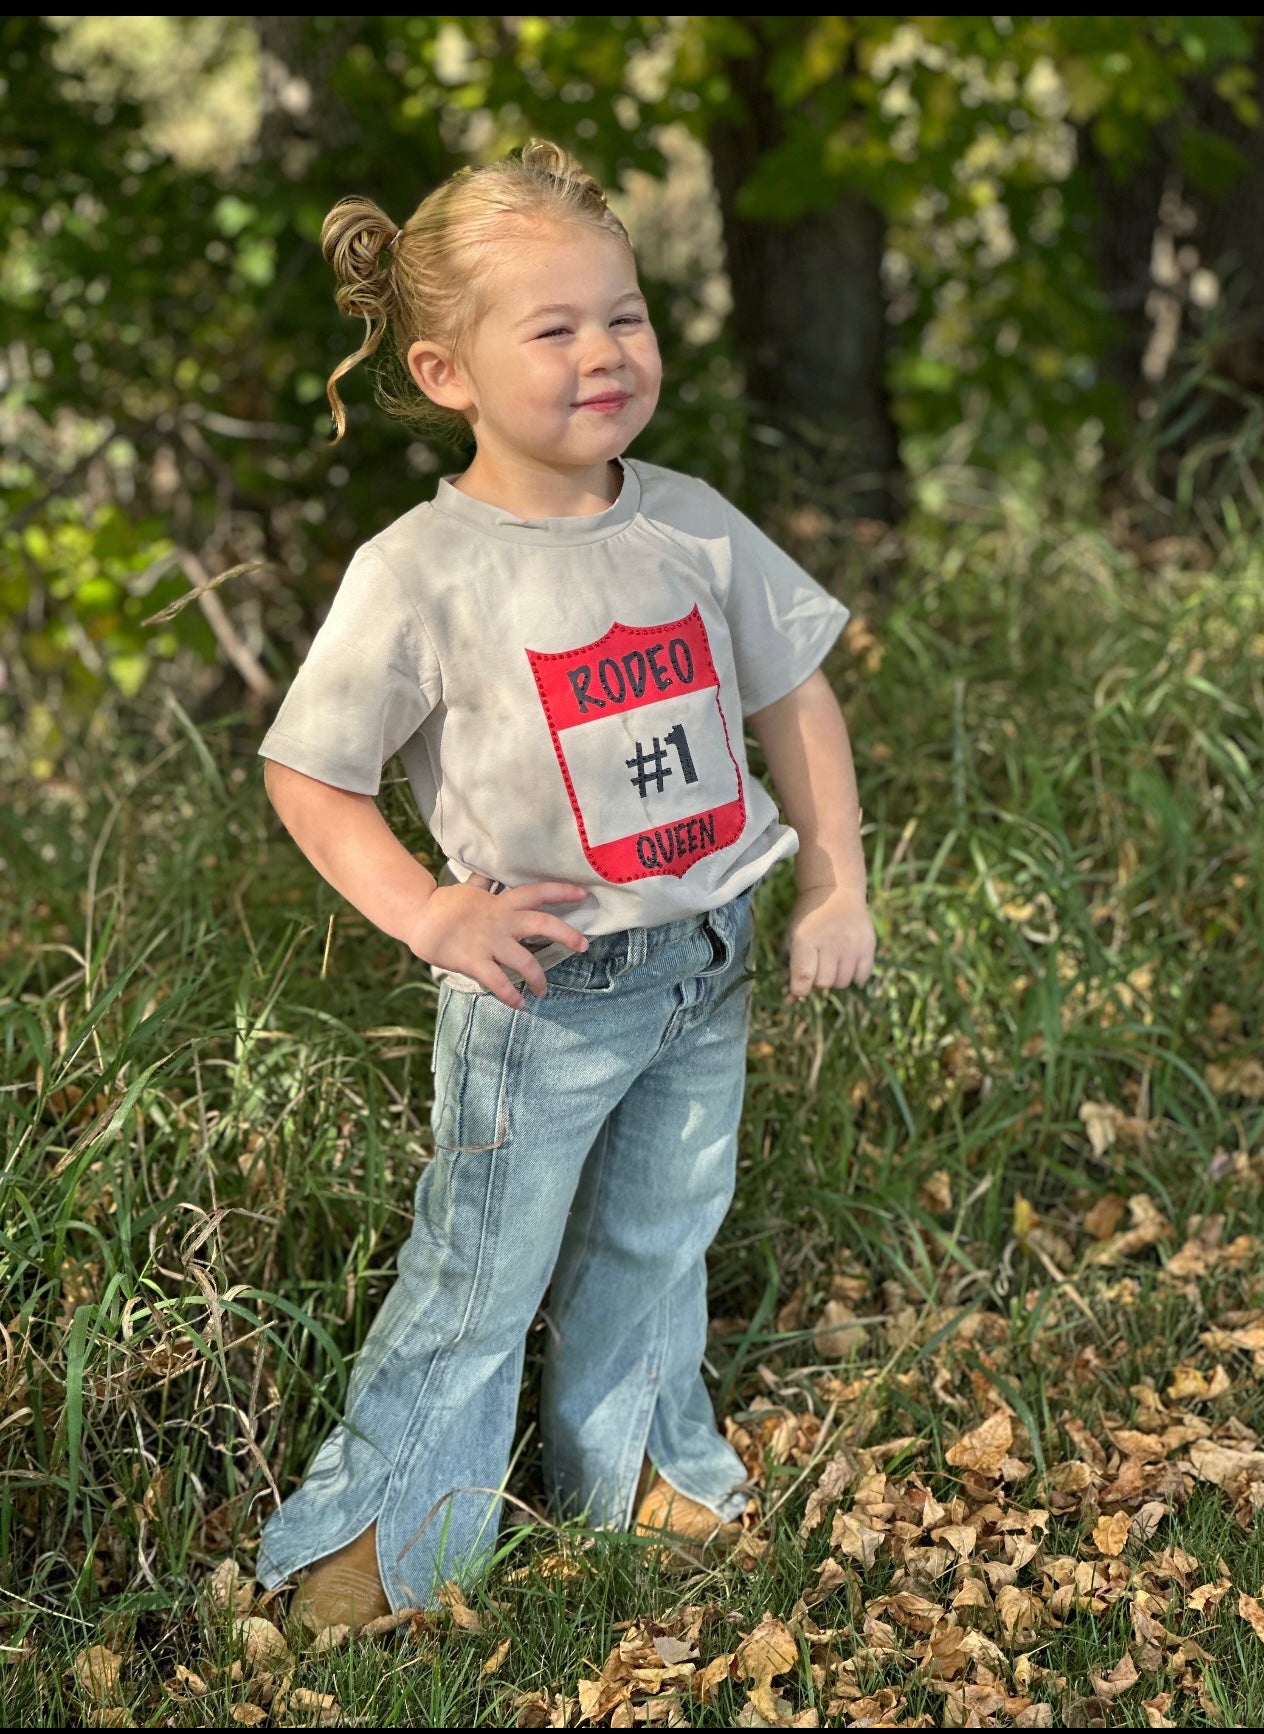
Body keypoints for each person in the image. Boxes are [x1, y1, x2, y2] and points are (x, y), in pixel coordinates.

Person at [254, 140, 876, 1630]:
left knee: (662, 1232)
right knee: (484, 1262)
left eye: (626, 315)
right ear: (446, 371)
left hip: (704, 958)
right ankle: (385, 1538)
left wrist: (835, 882)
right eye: (554, 328)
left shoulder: (687, 520)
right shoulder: (423, 569)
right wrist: (430, 912)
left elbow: (794, 695)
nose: (605, 352)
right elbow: (310, 772)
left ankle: (643, 1470)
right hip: (541, 991)